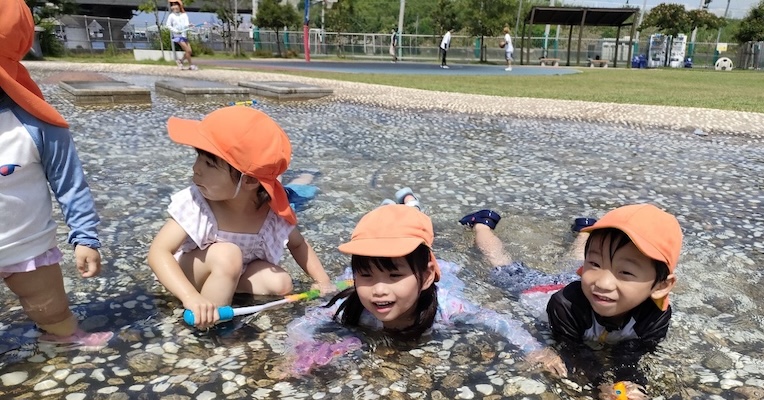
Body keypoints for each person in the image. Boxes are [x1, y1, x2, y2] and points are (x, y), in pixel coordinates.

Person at [281, 190, 547, 376]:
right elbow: (303, 323)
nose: (378, 289)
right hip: (411, 264)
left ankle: (420, 209)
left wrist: (534, 350)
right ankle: (398, 209)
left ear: (427, 277)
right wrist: (300, 348)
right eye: (366, 275)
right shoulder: (351, 304)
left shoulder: (448, 308)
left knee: (430, 242)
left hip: (442, 268)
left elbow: (500, 321)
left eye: (394, 276)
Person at [460, 204, 683, 400]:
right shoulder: (566, 305)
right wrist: (602, 384)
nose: (603, 283)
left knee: (575, 263)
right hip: (539, 289)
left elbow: (634, 352)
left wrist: (633, 385)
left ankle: (583, 232)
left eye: (625, 272)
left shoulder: (657, 315)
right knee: (501, 266)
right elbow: (573, 349)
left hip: (575, 280)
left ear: (661, 286)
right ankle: (482, 224)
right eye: (595, 263)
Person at [147, 106, 333, 330]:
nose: (196, 169)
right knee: (228, 254)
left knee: (281, 282)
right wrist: (190, 297)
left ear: (250, 181)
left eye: (209, 164)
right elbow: (159, 252)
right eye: (198, 158)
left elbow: (298, 244)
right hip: (190, 274)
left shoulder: (271, 212)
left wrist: (322, 281)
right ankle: (209, 327)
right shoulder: (199, 203)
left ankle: (224, 292)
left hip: (233, 271)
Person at [0, 0, 112, 349]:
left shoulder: (35, 122)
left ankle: (65, 338)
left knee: (52, 312)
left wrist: (84, 237)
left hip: (27, 248)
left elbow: (69, 183)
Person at [165, 0, 197, 71]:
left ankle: (180, 61)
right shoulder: (171, 16)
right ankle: (191, 65)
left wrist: (190, 25)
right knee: (188, 50)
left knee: (189, 51)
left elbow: (186, 25)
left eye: (175, 5)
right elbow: (168, 25)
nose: (174, 7)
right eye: (172, 5)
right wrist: (175, 30)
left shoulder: (184, 15)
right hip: (177, 36)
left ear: (180, 5)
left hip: (184, 35)